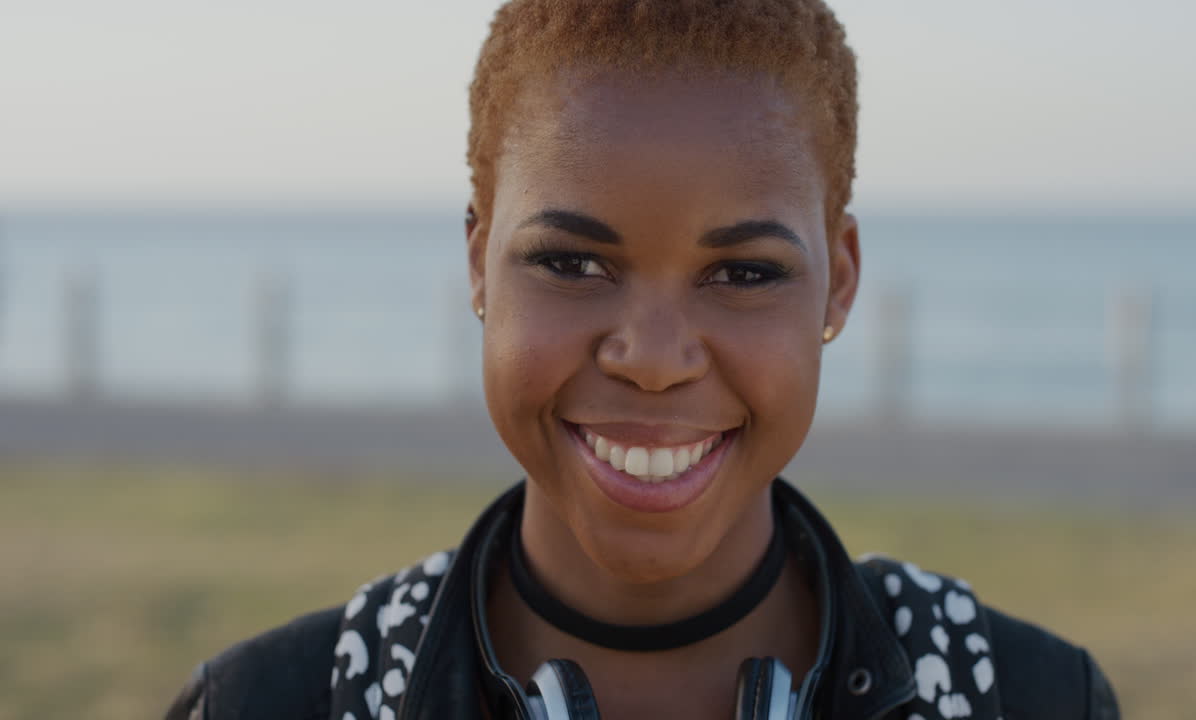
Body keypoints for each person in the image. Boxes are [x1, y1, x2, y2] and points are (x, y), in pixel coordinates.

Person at [166, 1, 1120, 718]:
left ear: (838, 281)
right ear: (477, 263)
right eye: (572, 262)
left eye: (743, 272)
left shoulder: (1029, 697)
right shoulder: (274, 702)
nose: (654, 361)